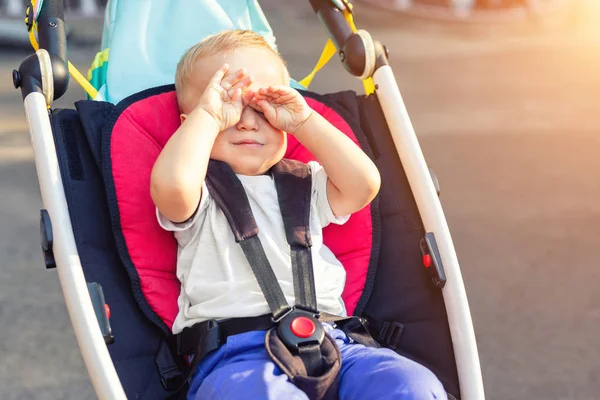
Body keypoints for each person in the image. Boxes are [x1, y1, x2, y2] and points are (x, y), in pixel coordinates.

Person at [151, 30, 447, 400]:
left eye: (261, 107)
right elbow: (172, 187)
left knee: (409, 385)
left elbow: (364, 184)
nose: (246, 122)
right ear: (189, 125)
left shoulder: (304, 182)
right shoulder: (199, 192)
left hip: (334, 343)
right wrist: (209, 115)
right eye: (229, 107)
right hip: (238, 356)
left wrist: (303, 119)